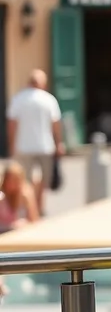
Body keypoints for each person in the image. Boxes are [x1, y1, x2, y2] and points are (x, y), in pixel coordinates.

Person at [7, 70, 63, 216]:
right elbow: (55, 124)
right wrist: (59, 143)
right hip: (45, 146)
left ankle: (28, 209)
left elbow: (12, 124)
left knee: (25, 181)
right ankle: (37, 208)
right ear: (43, 84)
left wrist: (12, 145)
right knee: (42, 181)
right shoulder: (49, 99)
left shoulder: (18, 99)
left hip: (23, 147)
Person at [0, 161, 39, 233]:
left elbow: (34, 220)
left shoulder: (25, 196)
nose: (11, 184)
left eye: (15, 181)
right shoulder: (2, 197)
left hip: (21, 234)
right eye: (9, 180)